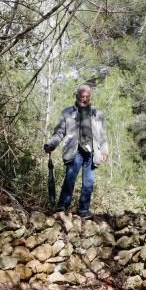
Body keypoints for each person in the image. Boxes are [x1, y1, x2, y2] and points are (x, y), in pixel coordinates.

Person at [43, 84, 109, 217]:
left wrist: (104, 151)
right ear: (77, 96)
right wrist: (51, 144)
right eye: (82, 96)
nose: (84, 99)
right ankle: (62, 207)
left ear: (90, 96)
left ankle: (84, 211)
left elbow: (102, 134)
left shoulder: (97, 114)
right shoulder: (67, 112)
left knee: (89, 182)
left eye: (87, 96)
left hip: (92, 152)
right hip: (75, 151)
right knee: (70, 179)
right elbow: (59, 132)